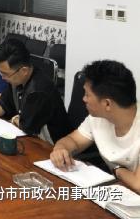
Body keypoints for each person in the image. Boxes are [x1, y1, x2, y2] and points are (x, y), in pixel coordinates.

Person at [50, 60, 140, 192]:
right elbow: (73, 140)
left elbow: (138, 184)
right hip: (114, 189)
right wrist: (60, 148)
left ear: (107, 104)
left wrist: (117, 170)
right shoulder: (97, 118)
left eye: (87, 94)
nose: (83, 99)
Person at [0, 39, 70, 143]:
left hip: (51, 144)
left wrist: (14, 119)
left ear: (24, 71)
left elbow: (26, 127)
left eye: (5, 74)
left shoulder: (39, 90)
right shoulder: (16, 78)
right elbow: (3, 104)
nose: (2, 77)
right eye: (0, 72)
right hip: (31, 137)